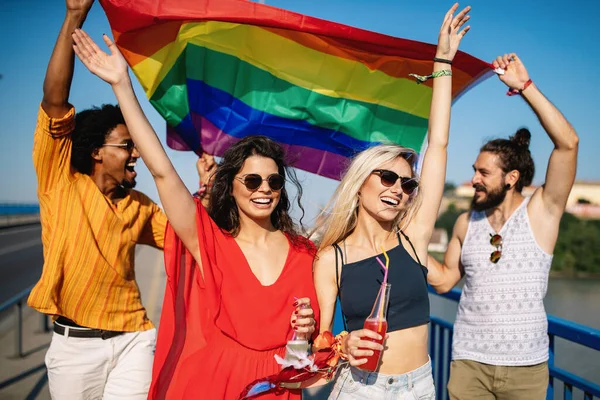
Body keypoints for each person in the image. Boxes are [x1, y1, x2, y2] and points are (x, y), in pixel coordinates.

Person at [70, 28, 319, 399]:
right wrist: (122, 85)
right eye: (251, 180)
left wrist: (307, 334)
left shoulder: (306, 254)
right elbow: (162, 171)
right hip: (214, 386)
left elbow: (306, 356)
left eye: (273, 180)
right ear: (231, 186)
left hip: (277, 390)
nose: (264, 188)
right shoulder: (210, 244)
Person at [311, 4, 471, 399]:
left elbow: (438, 145)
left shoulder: (414, 237)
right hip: (361, 389)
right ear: (360, 183)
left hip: (419, 386)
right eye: (386, 177)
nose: (398, 188)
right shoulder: (332, 257)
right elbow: (321, 341)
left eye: (407, 184)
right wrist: (342, 345)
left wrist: (442, 64)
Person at [28, 1, 167, 398]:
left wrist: (206, 189)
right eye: (127, 145)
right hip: (74, 350)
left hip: (134, 339)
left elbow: (188, 236)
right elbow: (55, 103)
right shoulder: (61, 180)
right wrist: (74, 16)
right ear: (96, 151)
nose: (136, 153)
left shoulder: (139, 204)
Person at [427, 53, 579, 400]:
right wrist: (412, 241)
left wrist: (524, 87)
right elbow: (444, 281)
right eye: (474, 170)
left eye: (483, 173)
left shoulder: (542, 211)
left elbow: (568, 144)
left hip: (526, 369)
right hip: (469, 366)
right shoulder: (466, 222)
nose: (473, 179)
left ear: (511, 178)